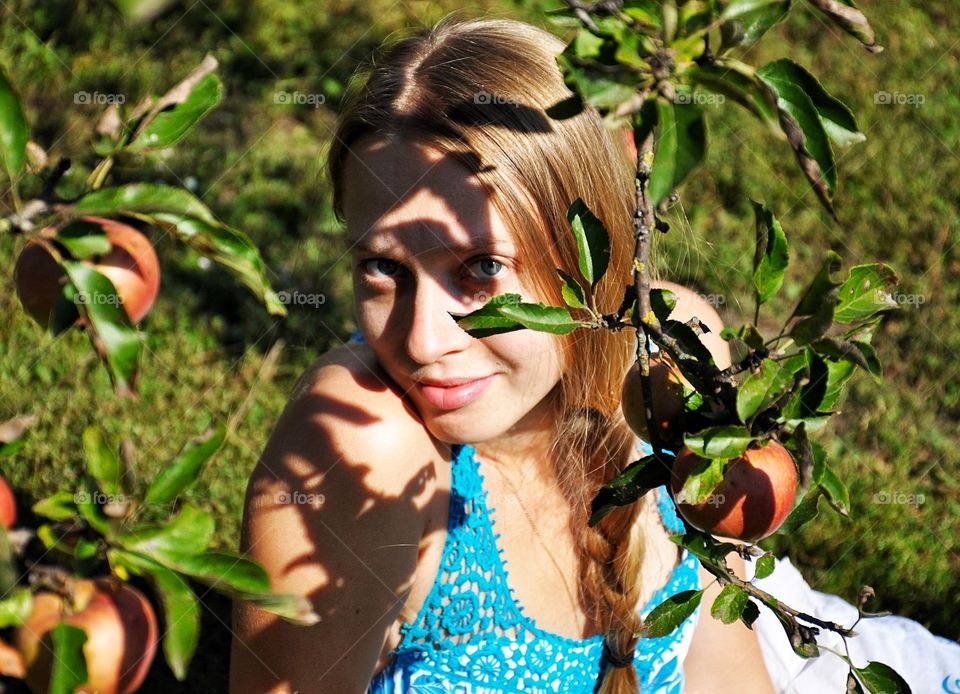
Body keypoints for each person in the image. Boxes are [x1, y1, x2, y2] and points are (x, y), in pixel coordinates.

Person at [228, 14, 775, 694]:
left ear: (591, 253)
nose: (425, 343)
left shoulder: (678, 359)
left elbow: (730, 675)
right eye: (383, 267)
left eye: (481, 266)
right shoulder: (363, 444)